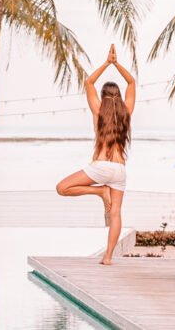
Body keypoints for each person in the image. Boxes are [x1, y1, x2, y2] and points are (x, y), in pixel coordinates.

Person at [55, 44, 135, 265]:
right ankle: (108, 257)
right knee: (117, 214)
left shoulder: (98, 111)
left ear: (102, 96)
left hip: (100, 167)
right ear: (118, 96)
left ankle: (100, 192)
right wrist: (117, 63)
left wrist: (107, 63)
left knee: (62, 188)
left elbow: (88, 82)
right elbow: (131, 82)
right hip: (120, 171)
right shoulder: (126, 113)